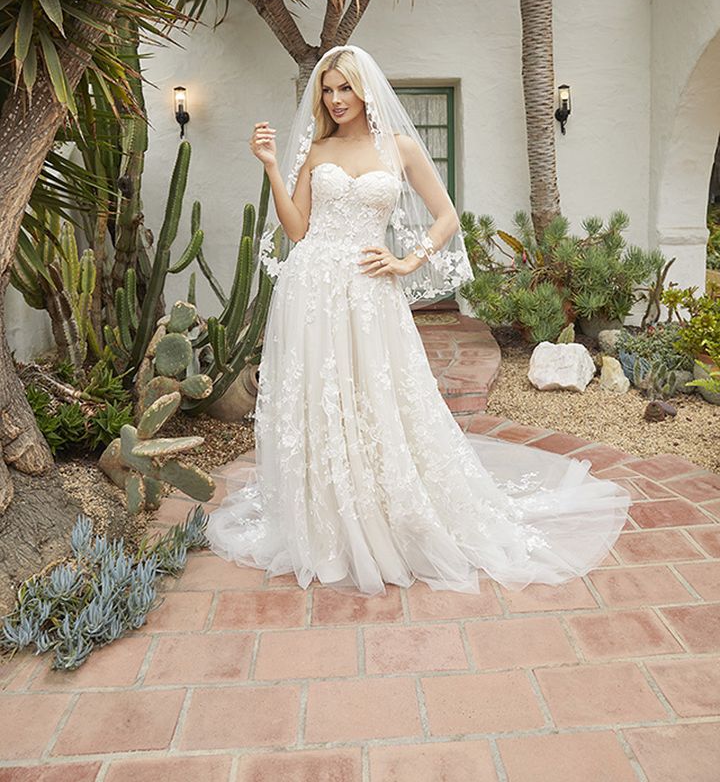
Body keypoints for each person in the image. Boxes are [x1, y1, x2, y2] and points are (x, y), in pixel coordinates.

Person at [205, 45, 631, 596]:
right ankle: (326, 523)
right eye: (327, 90)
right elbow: (296, 231)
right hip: (310, 289)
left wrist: (408, 261)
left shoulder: (399, 146)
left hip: (368, 290)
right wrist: (270, 167)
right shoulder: (315, 149)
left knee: (375, 399)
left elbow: (447, 215)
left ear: (365, 91)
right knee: (321, 399)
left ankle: (385, 513)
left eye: (345, 89)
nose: (336, 100)